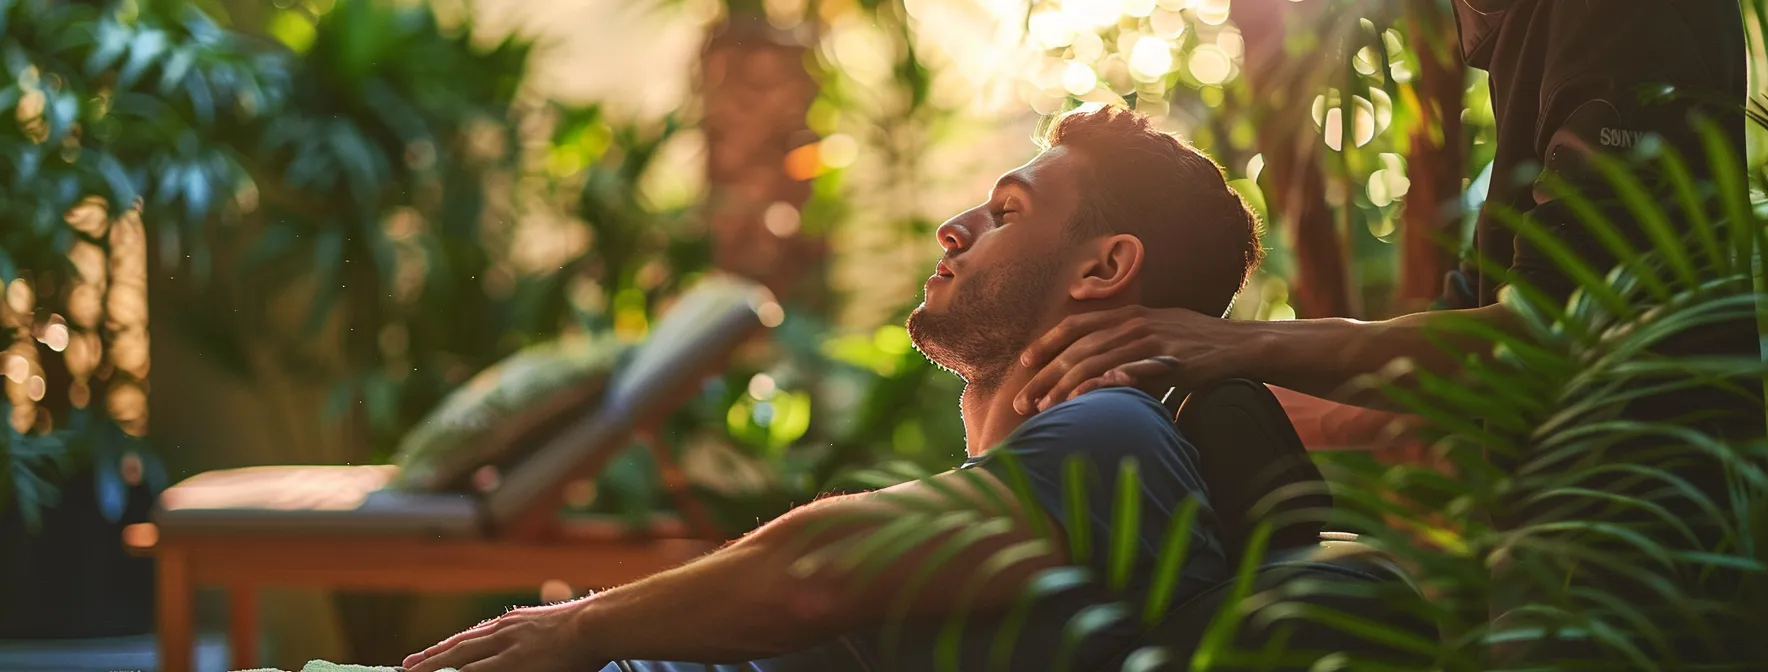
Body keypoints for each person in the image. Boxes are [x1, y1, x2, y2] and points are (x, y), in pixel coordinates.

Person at [1010, 0, 1762, 664]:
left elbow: (1554, 335)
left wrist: (1245, 346)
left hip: (1651, 582)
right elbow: (1433, 363)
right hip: (1560, 578)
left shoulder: (1620, 21)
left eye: (1007, 211)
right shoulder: (1538, 39)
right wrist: (1173, 405)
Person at [403, 105, 1265, 672]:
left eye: (1006, 213)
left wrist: (574, 631)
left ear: (1105, 266)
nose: (954, 229)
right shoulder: (1093, 450)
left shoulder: (1118, 436)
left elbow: (816, 571)